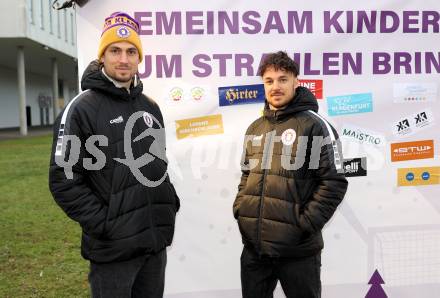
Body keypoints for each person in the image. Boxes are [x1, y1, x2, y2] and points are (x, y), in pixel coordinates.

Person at [49, 12, 180, 298]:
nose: (124, 59)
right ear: (102, 56)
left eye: (131, 51)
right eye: (115, 51)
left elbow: (158, 165)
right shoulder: (81, 109)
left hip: (153, 244)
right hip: (113, 251)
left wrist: (169, 204)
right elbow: (64, 180)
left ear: (139, 58)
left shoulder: (150, 107)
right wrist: (107, 225)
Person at [233, 51, 348, 298]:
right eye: (269, 80)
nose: (275, 86)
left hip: (298, 252)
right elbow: (246, 175)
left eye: (283, 79)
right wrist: (241, 209)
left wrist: (303, 225)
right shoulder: (255, 127)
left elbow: (334, 182)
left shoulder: (316, 125)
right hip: (255, 250)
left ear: (296, 81)